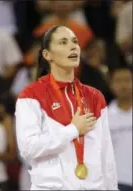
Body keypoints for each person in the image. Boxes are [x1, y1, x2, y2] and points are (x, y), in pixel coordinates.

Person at [15, 25, 118, 190]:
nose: (73, 46)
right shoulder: (31, 95)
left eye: (75, 42)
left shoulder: (94, 96)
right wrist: (72, 130)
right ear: (47, 55)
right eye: (63, 42)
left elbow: (106, 154)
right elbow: (28, 148)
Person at [108, 66, 132, 191]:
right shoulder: (104, 117)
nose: (123, 85)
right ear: (111, 85)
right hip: (118, 182)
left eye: (127, 80)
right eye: (118, 81)